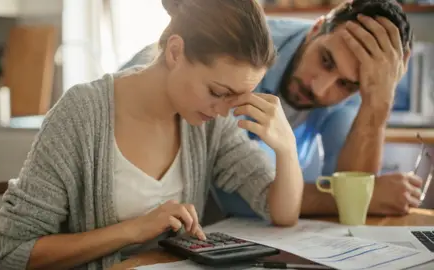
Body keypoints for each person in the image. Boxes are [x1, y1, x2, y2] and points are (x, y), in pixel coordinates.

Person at [0, 0, 304, 269]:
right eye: (218, 92)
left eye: (234, 99)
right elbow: (14, 254)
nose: (224, 111)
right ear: (175, 51)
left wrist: (286, 149)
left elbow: (281, 212)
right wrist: (134, 230)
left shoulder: (208, 123)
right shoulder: (81, 114)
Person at [121, 0, 423, 219]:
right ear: (317, 28)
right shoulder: (245, 54)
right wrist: (359, 198)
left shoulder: (360, 84)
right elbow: (241, 195)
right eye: (325, 60)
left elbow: (351, 201)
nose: (320, 89)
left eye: (346, 84)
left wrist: (378, 103)